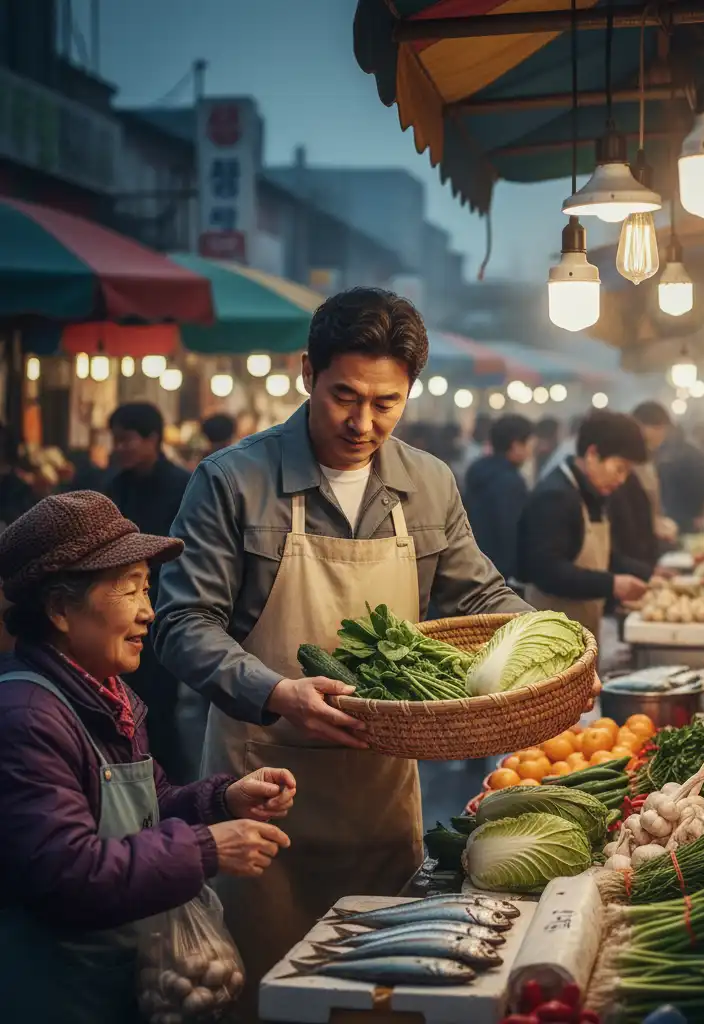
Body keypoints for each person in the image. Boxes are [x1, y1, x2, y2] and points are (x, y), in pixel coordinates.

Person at [153, 288, 533, 1014]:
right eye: (345, 397)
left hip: (380, 795)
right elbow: (181, 621)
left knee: (380, 1000)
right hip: (259, 790)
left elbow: (482, 598)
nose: (363, 423)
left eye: (386, 403)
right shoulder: (233, 481)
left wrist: (555, 650)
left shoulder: (427, 484)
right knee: (268, 994)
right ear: (307, 374)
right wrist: (274, 689)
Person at [0, 491, 295, 1024]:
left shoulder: (105, 695)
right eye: (130, 590)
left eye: (147, 588)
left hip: (113, 985)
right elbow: (68, 874)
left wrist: (221, 801)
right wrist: (206, 850)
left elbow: (150, 804)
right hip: (57, 998)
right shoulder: (27, 716)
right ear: (61, 609)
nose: (148, 611)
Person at [105, 402, 193, 782]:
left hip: (165, 605)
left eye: (127, 440)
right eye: (116, 441)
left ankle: (168, 786)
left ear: (152, 439)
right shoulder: (116, 486)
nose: (119, 448)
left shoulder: (182, 484)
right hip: (119, 607)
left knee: (160, 705)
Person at [518, 410, 650, 639]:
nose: (622, 480)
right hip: (551, 638)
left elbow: (602, 556)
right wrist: (612, 584)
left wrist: (648, 575)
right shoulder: (555, 496)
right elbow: (547, 571)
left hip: (583, 632)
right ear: (592, 454)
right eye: (620, 468)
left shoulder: (591, 494)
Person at [463, 414, 534, 582]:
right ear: (516, 446)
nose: (531, 451)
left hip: (473, 563)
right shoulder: (510, 482)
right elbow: (509, 532)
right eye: (529, 444)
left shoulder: (478, 471)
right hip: (498, 574)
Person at [609, 402, 677, 576]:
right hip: (630, 556)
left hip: (643, 554)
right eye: (661, 430)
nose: (662, 438)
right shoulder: (624, 465)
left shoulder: (647, 459)